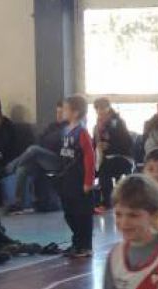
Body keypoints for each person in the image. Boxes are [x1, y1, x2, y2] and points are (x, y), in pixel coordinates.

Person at [3, 100, 67, 212]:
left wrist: (47, 143)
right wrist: (46, 144)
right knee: (22, 169)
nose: (58, 115)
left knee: (33, 149)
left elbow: (54, 144)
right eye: (57, 112)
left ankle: (8, 168)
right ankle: (18, 203)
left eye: (61, 113)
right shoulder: (52, 126)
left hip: (58, 161)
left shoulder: (67, 129)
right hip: (42, 157)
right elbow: (40, 140)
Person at [59, 95, 96, 258]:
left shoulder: (82, 133)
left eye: (66, 109)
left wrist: (88, 181)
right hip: (68, 178)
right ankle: (76, 241)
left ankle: (85, 245)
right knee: (69, 212)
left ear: (76, 112)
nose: (63, 111)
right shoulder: (67, 130)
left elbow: (89, 157)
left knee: (82, 213)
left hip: (79, 179)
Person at [93, 97, 134, 211]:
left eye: (102, 108)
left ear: (108, 108)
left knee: (104, 168)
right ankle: (98, 198)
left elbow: (127, 143)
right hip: (104, 158)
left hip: (122, 157)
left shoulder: (118, 123)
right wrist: (98, 146)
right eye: (97, 109)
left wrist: (110, 146)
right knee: (97, 166)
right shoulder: (97, 127)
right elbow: (94, 144)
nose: (100, 111)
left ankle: (107, 201)